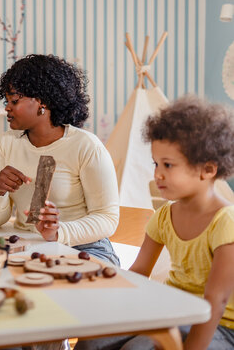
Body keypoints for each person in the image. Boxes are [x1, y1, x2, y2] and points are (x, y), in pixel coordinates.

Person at [76, 96, 234, 350]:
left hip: (219, 326)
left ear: (208, 169)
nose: (157, 174)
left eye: (168, 165)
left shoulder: (225, 222)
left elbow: (215, 301)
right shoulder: (164, 216)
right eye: (156, 163)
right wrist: (105, 287)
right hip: (172, 311)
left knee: (140, 348)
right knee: (93, 339)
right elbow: (138, 273)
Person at [0, 54, 120, 265]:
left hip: (84, 247)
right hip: (27, 244)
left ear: (42, 102)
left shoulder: (86, 146)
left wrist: (59, 232)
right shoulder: (7, 143)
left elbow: (107, 218)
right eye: (6, 101)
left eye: (14, 100)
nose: (7, 107)